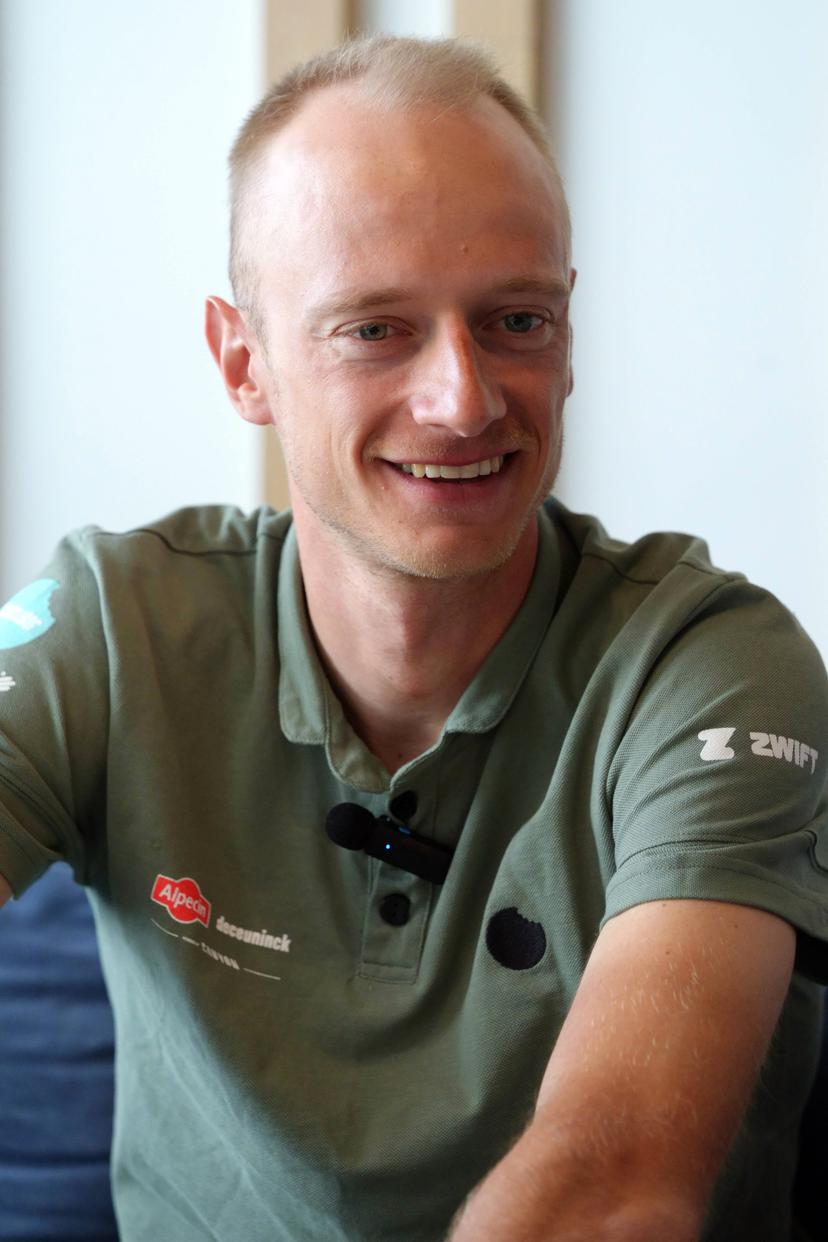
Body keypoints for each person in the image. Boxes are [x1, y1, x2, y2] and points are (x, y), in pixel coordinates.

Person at [0, 33, 826, 1242]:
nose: (465, 399)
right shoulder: (113, 623)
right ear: (246, 361)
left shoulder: (706, 667)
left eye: (516, 321)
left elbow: (615, 1184)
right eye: (375, 329)